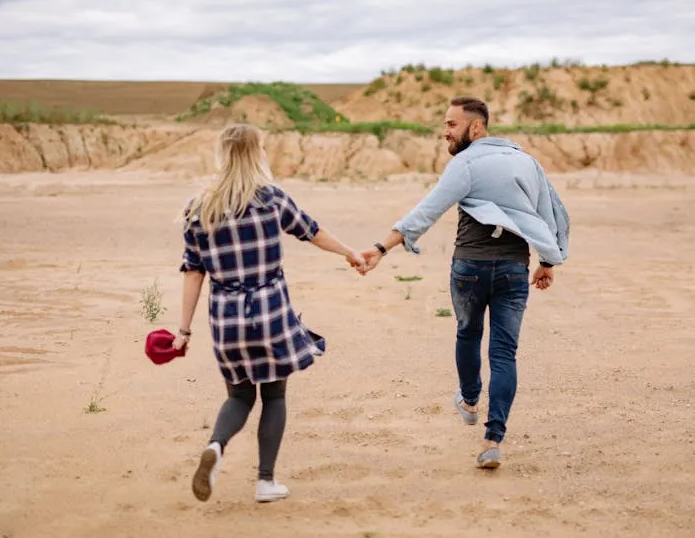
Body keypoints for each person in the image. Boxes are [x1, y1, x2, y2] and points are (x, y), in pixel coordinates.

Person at [358, 96, 570, 469]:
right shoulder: (527, 161)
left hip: (470, 267)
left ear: (476, 127)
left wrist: (381, 248)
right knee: (504, 353)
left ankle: (470, 399)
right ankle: (492, 440)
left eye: (451, 125)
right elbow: (547, 214)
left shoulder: (466, 163)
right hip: (513, 270)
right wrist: (548, 261)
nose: (445, 133)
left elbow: (427, 210)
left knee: (468, 333)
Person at [173, 123, 365, 503]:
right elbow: (313, 232)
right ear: (255, 154)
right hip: (271, 313)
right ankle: (265, 482)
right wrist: (351, 253)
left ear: (223, 154)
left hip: (227, 320)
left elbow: (193, 273)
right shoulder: (271, 199)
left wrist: (184, 331)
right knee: (274, 396)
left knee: (240, 397)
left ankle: (216, 445)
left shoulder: (198, 209)